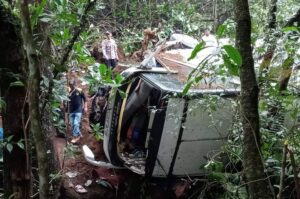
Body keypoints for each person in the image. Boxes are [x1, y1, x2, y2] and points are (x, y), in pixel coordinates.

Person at [68, 80, 87, 144]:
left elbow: (85, 99)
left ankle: (75, 137)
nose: (71, 86)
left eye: (72, 85)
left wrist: (85, 107)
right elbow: (67, 102)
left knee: (76, 123)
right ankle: (79, 134)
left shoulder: (79, 90)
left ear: (74, 84)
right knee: (73, 124)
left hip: (78, 110)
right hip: (71, 111)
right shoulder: (69, 92)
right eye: (70, 85)